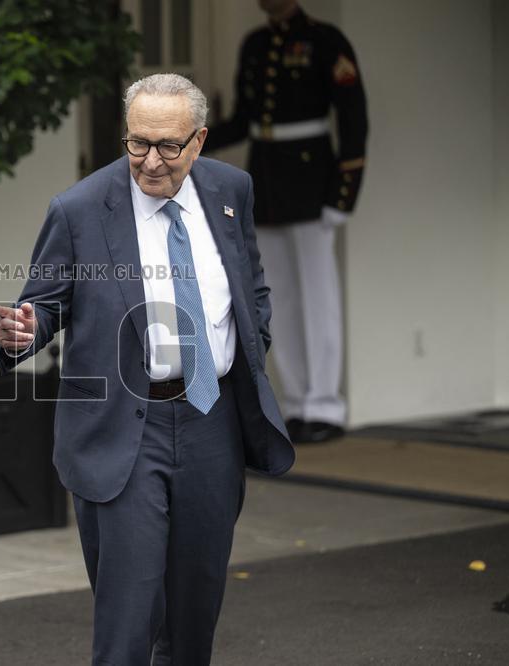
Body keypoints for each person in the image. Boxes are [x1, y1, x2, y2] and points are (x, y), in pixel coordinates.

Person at [0, 73, 294, 665]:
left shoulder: (232, 190)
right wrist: (25, 330)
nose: (150, 161)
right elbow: (45, 303)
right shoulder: (79, 209)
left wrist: (254, 341)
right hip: (125, 429)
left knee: (194, 613)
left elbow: (250, 283)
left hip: (212, 417)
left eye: (168, 146)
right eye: (137, 143)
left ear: (199, 140)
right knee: (128, 617)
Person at [204, 0, 368, 443]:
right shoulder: (255, 43)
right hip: (269, 180)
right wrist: (192, 139)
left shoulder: (324, 40)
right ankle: (296, 403)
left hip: (313, 181)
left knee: (319, 296)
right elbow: (244, 120)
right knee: (279, 299)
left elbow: (353, 119)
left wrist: (343, 193)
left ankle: (326, 406)